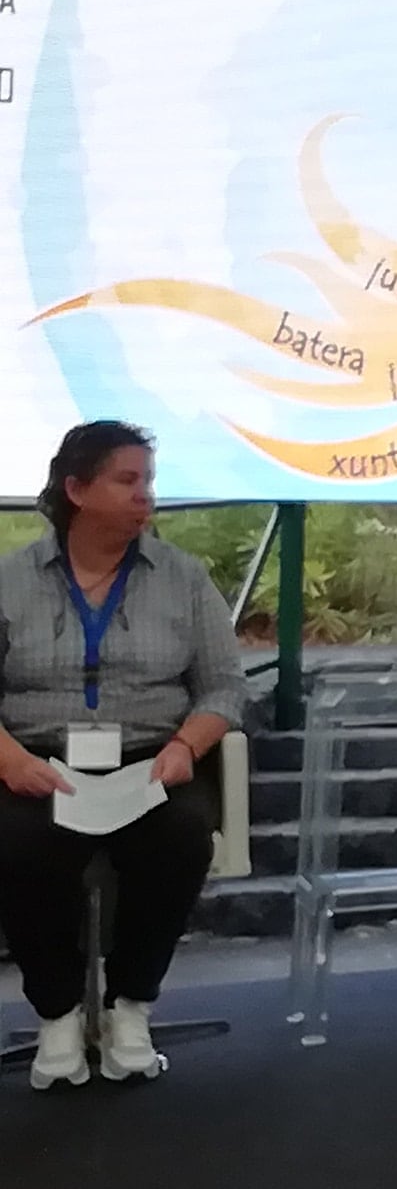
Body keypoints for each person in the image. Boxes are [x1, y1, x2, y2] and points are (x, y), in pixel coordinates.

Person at [0, 421, 249, 1090]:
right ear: (77, 489)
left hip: (150, 758)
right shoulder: (11, 578)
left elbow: (225, 685)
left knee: (181, 837)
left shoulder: (182, 577)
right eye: (129, 481)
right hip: (38, 761)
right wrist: (8, 759)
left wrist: (184, 746)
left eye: (149, 482)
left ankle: (131, 1005)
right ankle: (56, 1013)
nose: (147, 497)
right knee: (16, 844)